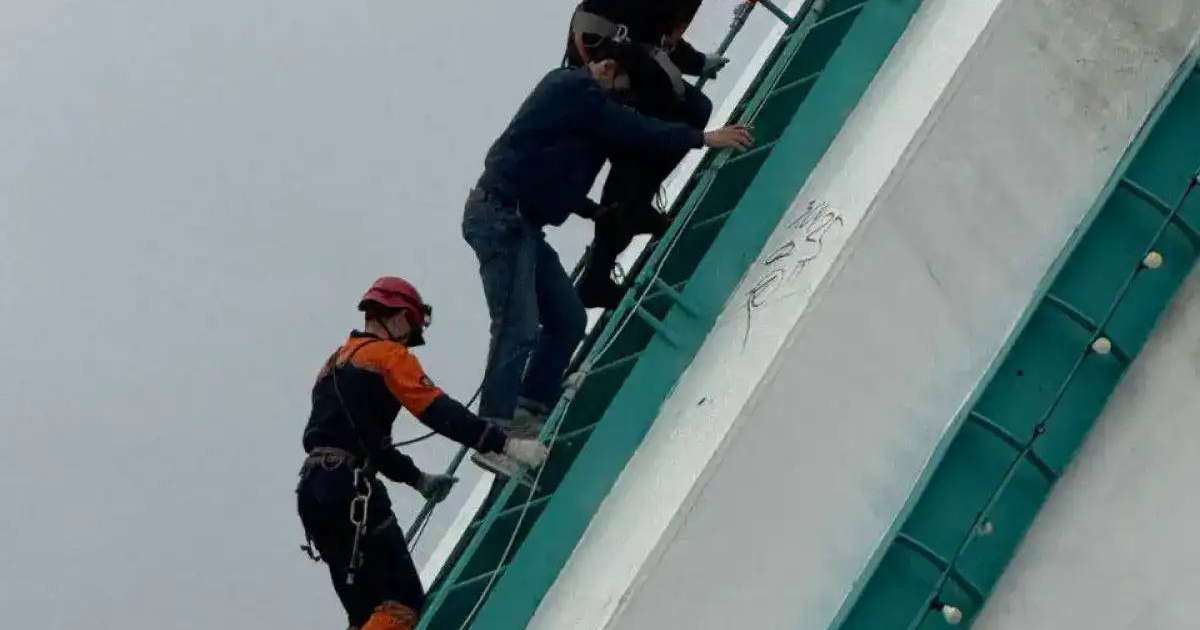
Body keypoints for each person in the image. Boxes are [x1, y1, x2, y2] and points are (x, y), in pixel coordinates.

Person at [464, 41, 753, 478]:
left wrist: (591, 210)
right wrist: (702, 139)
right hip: (501, 218)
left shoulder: (578, 105)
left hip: (523, 223)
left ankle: (528, 410)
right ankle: (492, 432)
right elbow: (632, 128)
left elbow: (542, 161)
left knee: (567, 317)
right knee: (518, 325)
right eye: (623, 90)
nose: (621, 99)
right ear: (609, 70)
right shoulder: (575, 88)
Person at [296, 276, 549, 630]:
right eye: (409, 332)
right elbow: (439, 412)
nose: (408, 344)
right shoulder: (388, 356)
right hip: (348, 489)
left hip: (314, 490)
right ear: (398, 317)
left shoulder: (333, 365)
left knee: (365, 612)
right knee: (401, 605)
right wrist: (504, 443)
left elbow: (372, 447)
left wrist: (418, 479)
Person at [565, 0, 732, 308]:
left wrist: (695, 62)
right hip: (606, 69)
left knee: (687, 113)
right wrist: (692, 64)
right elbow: (652, 40)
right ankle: (597, 277)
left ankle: (632, 214)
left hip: (618, 60)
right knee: (641, 151)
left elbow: (656, 41)